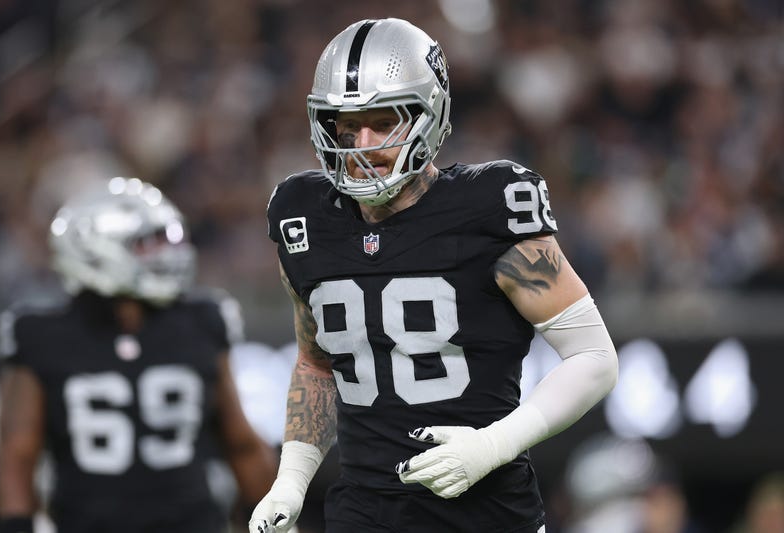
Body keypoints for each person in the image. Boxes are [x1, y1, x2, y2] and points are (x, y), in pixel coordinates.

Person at [251, 17, 619, 533]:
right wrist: (290, 480)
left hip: (487, 517)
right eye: (346, 125)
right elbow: (316, 364)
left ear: (431, 115)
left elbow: (594, 357)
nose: (361, 144)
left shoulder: (488, 207)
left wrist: (496, 443)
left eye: (383, 121)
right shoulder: (303, 213)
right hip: (363, 514)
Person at [0, 177, 277, 533]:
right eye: (148, 244)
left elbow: (242, 444)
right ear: (94, 249)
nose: (166, 254)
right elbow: (18, 457)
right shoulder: (41, 335)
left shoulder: (201, 320)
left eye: (168, 240)